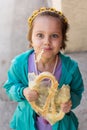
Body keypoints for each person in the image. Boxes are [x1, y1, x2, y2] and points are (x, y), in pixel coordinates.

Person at [3, 7, 84, 130]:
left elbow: (77, 91)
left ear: (62, 40)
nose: (47, 41)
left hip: (61, 124)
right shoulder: (19, 64)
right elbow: (9, 87)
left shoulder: (71, 68)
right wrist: (22, 91)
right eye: (40, 35)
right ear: (31, 38)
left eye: (54, 36)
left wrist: (70, 102)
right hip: (27, 123)